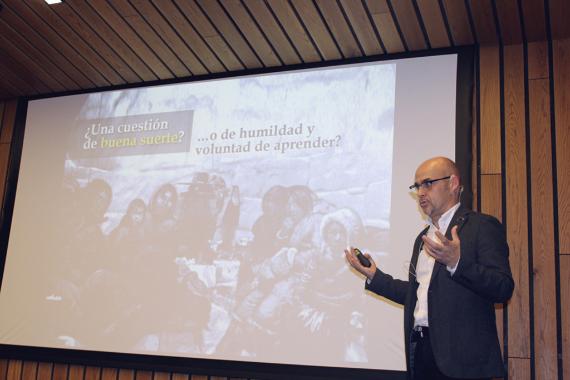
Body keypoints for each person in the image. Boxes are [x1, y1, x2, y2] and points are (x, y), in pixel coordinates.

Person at [345, 157, 514, 380]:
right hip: (422, 352)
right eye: (417, 186)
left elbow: (503, 288)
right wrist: (375, 277)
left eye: (427, 183)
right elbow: (419, 295)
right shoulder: (422, 238)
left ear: (453, 183)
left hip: (462, 363)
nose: (420, 192)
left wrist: (457, 263)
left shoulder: (481, 226)